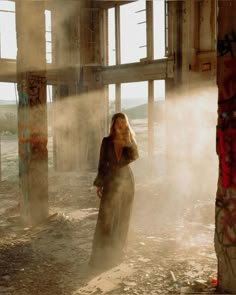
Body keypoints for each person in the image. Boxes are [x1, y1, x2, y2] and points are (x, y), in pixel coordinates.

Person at [89, 112, 139, 267]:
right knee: (106, 218)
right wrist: (99, 183)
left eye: (123, 123)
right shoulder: (106, 141)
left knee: (122, 219)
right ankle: (99, 256)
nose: (120, 126)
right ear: (113, 124)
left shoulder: (129, 141)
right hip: (111, 181)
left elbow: (135, 156)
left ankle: (116, 255)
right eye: (118, 123)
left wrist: (127, 140)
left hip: (127, 182)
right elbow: (102, 163)